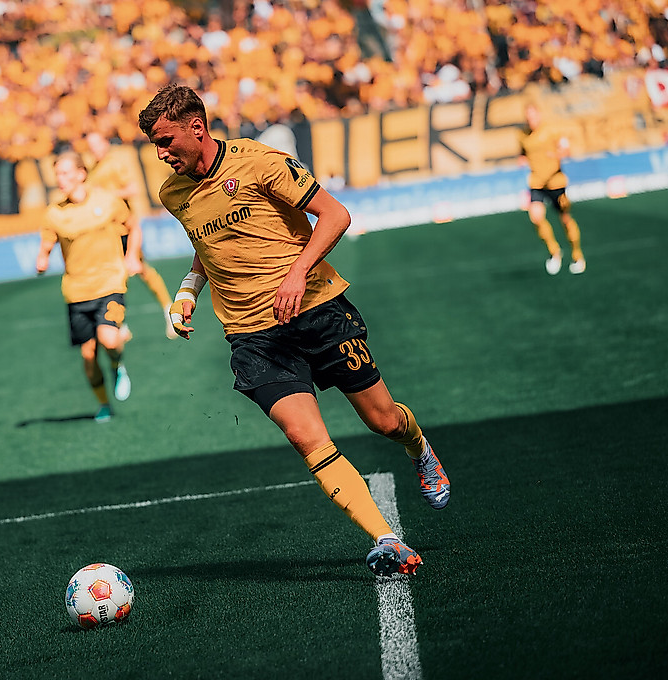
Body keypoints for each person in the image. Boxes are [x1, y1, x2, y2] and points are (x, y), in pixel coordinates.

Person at [138, 84, 449, 577]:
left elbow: (335, 214)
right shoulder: (172, 193)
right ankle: (386, 538)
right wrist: (187, 290)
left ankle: (420, 449)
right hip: (252, 336)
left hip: (317, 310)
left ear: (196, 128)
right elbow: (208, 241)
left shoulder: (261, 162)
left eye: (166, 140)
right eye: (154, 144)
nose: (160, 153)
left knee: (384, 421)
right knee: (307, 439)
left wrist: (299, 270)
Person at [35, 151, 135, 423]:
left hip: (110, 282)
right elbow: (47, 241)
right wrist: (42, 258)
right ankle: (104, 405)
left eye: (66, 173)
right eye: (57, 175)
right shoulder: (55, 212)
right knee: (88, 356)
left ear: (81, 174)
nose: (61, 179)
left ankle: (117, 364)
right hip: (77, 291)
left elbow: (131, 224)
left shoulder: (108, 201)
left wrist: (132, 255)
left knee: (109, 339)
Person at [85, 130, 179, 340]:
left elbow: (133, 189)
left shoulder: (115, 164)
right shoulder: (93, 169)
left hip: (125, 229)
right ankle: (119, 323)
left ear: (105, 142)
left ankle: (169, 311)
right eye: (90, 146)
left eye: (97, 144)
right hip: (107, 233)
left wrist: (108, 194)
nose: (94, 149)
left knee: (141, 270)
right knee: (114, 276)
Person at [520, 103, 585, 275]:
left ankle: (577, 254)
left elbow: (566, 149)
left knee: (565, 219)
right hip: (537, 184)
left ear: (539, 115)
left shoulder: (552, 130)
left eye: (533, 116)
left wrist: (557, 155)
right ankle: (554, 252)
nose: (530, 120)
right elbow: (523, 154)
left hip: (556, 182)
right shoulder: (523, 135)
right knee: (535, 217)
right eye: (528, 117)